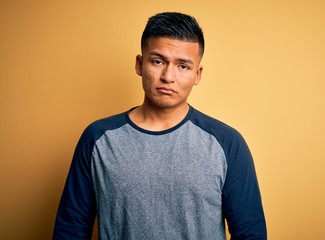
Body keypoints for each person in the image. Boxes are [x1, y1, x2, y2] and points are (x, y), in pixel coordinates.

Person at [53, 12, 266, 240]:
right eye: (158, 61)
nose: (168, 76)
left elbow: (250, 233)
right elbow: (71, 230)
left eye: (183, 66)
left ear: (197, 74)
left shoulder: (227, 143)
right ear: (139, 64)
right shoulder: (97, 139)